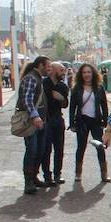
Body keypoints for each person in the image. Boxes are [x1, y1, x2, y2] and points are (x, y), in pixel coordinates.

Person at [68, 63, 111, 183]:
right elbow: (72, 107)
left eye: (89, 72)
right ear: (81, 74)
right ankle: (78, 173)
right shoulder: (76, 88)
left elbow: (104, 105)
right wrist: (72, 123)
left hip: (96, 121)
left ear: (93, 73)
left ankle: (104, 174)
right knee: (81, 147)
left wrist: (106, 121)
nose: (87, 75)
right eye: (84, 72)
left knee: (100, 147)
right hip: (82, 121)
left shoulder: (99, 87)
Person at [17, 56, 51, 194]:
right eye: (48, 66)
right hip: (32, 122)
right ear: (41, 65)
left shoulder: (38, 78)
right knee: (32, 150)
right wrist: (35, 116)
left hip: (41, 121)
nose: (49, 69)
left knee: (40, 150)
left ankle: (34, 177)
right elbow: (27, 99)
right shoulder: (31, 78)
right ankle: (28, 182)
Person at [41, 62, 69, 186]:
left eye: (64, 70)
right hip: (46, 119)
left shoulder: (63, 86)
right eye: (61, 70)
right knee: (46, 149)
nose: (63, 73)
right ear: (53, 70)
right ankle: (47, 176)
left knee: (59, 149)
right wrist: (57, 98)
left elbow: (65, 103)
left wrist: (61, 98)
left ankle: (58, 174)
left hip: (58, 119)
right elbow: (49, 97)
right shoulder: (44, 83)